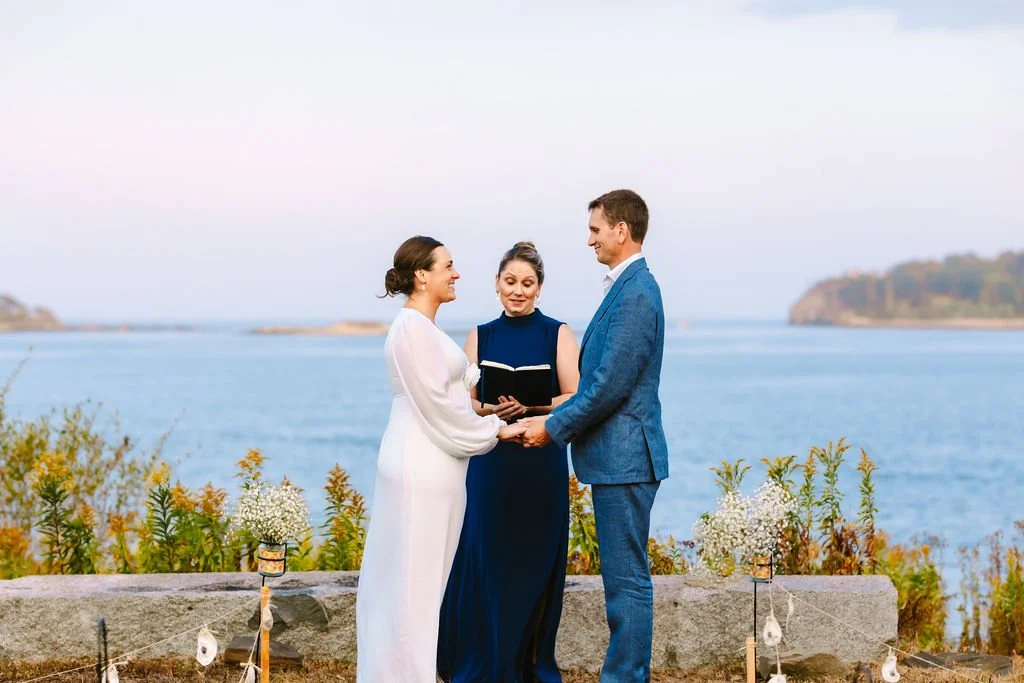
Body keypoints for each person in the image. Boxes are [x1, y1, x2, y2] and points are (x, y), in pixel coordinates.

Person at [356, 236, 526, 683]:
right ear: (421, 276)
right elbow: (434, 404)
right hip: (420, 466)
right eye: (448, 266)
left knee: (425, 586)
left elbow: (447, 399)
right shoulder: (410, 329)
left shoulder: (424, 329)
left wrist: (485, 410)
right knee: (411, 586)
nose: (456, 274)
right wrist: (496, 430)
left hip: (436, 464)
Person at [520, 190, 669, 682]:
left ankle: (625, 678)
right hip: (618, 458)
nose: (590, 240)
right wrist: (550, 406)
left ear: (621, 231)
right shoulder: (625, 289)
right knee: (622, 580)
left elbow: (608, 387)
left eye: (595, 230)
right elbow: (600, 382)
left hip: (627, 459)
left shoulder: (637, 293)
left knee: (627, 583)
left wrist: (553, 430)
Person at [438, 241, 580, 683]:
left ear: (539, 289)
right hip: (492, 465)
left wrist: (533, 408)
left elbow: (575, 396)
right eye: (510, 282)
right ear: (497, 285)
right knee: (488, 563)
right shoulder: (481, 335)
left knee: (535, 565)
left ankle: (530, 667)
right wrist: (493, 412)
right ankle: (483, 665)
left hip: (540, 464)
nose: (518, 290)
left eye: (527, 283)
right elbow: (466, 403)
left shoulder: (557, 333)